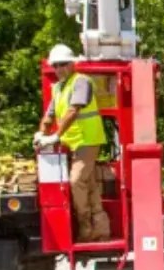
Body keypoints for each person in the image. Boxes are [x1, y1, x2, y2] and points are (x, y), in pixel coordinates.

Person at [35, 43, 111, 243]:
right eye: (56, 66)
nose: (59, 69)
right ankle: (101, 231)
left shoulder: (81, 81)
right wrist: (41, 133)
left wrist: (55, 136)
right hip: (75, 144)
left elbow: (73, 110)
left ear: (72, 64)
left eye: (63, 64)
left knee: (76, 180)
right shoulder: (59, 88)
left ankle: (85, 227)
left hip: (88, 140)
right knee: (90, 184)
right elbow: (50, 114)